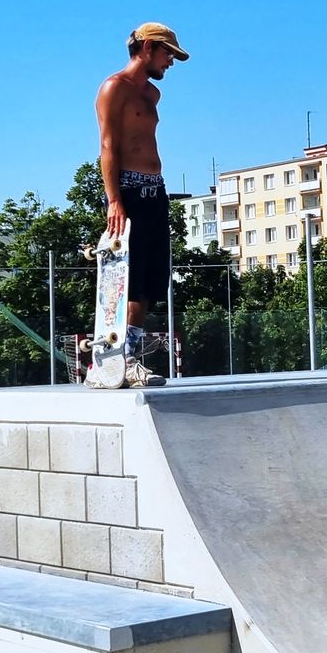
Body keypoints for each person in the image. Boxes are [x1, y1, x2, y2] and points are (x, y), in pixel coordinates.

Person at [95, 21, 189, 387]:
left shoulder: (152, 95)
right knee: (129, 277)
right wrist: (114, 200)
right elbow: (107, 147)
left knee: (152, 278)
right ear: (148, 47)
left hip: (156, 190)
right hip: (129, 191)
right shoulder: (113, 88)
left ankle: (124, 357)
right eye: (168, 54)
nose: (171, 62)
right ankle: (120, 359)